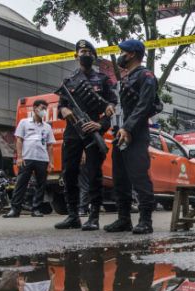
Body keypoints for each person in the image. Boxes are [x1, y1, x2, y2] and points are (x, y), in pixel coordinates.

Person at [55, 39, 117, 231]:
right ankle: (73, 215)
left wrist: (99, 125)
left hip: (93, 133)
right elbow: (61, 107)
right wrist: (64, 111)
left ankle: (94, 216)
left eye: (89, 52)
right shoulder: (69, 82)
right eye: (82, 51)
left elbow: (111, 107)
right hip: (73, 133)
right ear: (76, 56)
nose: (85, 55)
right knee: (69, 173)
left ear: (94, 56)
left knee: (93, 174)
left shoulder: (103, 80)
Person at [103, 39, 160, 235]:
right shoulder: (126, 79)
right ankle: (123, 219)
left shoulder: (146, 76)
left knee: (139, 176)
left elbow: (145, 106)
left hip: (136, 133)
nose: (121, 55)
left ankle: (146, 220)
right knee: (120, 178)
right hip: (120, 133)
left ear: (132, 54)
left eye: (123, 52)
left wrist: (127, 128)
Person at [4, 99, 55, 218]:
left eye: (45, 109)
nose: (44, 111)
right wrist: (20, 157)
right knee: (21, 184)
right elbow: (19, 140)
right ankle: (15, 210)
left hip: (42, 159)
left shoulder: (47, 127)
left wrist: (51, 162)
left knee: (40, 185)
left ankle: (36, 209)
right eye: (42, 108)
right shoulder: (24, 122)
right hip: (27, 158)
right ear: (35, 108)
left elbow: (50, 145)